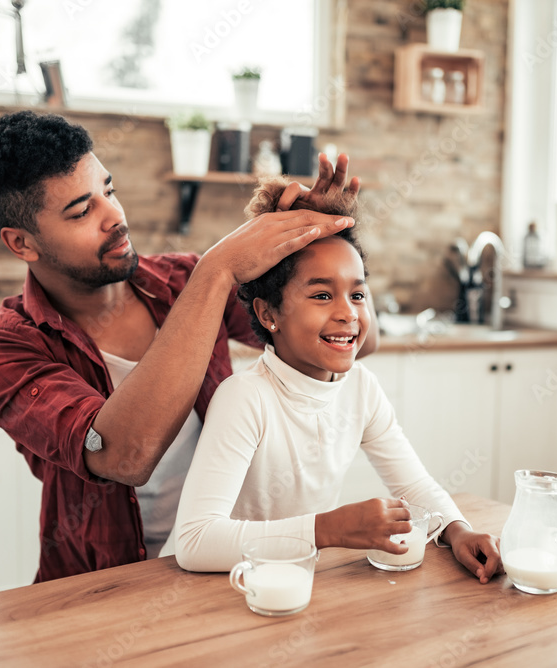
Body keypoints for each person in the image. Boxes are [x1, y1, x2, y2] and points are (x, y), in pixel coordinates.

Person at [0, 110, 372, 582]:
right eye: (81, 211)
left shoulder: (182, 279)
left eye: (109, 191)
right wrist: (217, 272)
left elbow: (358, 342)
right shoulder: (1, 348)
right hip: (106, 583)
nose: (114, 217)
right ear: (21, 242)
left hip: (232, 565)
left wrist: (330, 240)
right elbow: (122, 456)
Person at [164, 177, 503, 584]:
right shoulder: (245, 398)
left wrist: (457, 529)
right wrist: (330, 529)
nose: (349, 314)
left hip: (295, 581)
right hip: (220, 587)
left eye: (357, 295)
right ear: (269, 313)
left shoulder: (361, 388)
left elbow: (412, 483)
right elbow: (196, 542)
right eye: (323, 296)